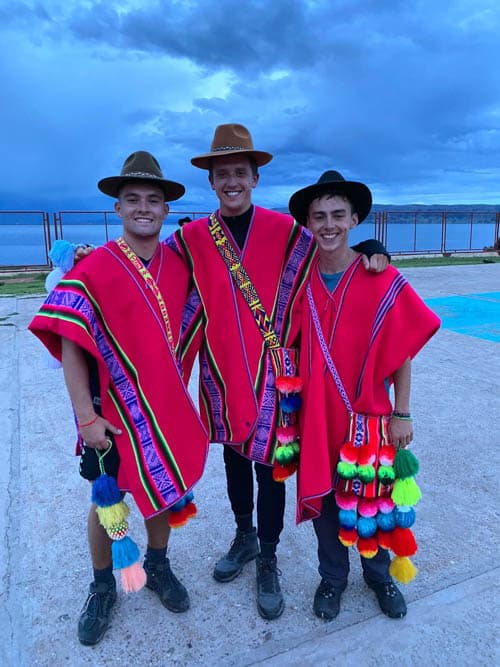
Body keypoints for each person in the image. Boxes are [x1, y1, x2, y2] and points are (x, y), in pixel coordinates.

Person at [167, 124, 390, 619]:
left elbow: (334, 252)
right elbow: (163, 284)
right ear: (211, 180)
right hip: (220, 376)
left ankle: (267, 556)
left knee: (272, 470)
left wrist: (375, 246)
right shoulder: (191, 239)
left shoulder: (287, 232)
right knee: (232, 463)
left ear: (255, 177)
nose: (231, 181)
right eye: (222, 173)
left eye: (240, 173)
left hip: (275, 377)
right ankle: (244, 536)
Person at [29, 151, 208, 645]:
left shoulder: (181, 265)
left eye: (153, 200)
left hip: (166, 408)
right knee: (106, 502)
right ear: (118, 207)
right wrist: (85, 417)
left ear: (167, 209)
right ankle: (103, 584)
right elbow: (71, 347)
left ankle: (158, 565)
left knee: (160, 493)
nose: (144, 208)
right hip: (111, 414)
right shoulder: (94, 269)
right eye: (133, 200)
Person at [289, 170, 440, 620]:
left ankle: (379, 578)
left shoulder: (379, 276)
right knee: (327, 503)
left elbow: (402, 352)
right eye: (319, 216)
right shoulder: (298, 283)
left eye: (338, 214)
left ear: (355, 219)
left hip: (369, 417)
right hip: (316, 417)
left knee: (373, 500)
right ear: (308, 224)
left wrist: (403, 413)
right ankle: (332, 579)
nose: (328, 224)